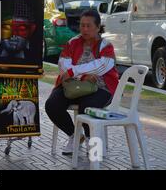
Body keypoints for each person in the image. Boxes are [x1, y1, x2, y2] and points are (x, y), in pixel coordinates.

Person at [45, 10, 119, 155]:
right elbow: (63, 64)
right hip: (73, 85)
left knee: (87, 107)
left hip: (101, 87)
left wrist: (74, 72)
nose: (84, 29)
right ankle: (75, 136)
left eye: (88, 26)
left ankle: (93, 140)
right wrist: (82, 76)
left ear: (98, 27)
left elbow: (102, 66)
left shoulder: (106, 46)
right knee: (52, 105)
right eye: (82, 25)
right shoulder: (72, 42)